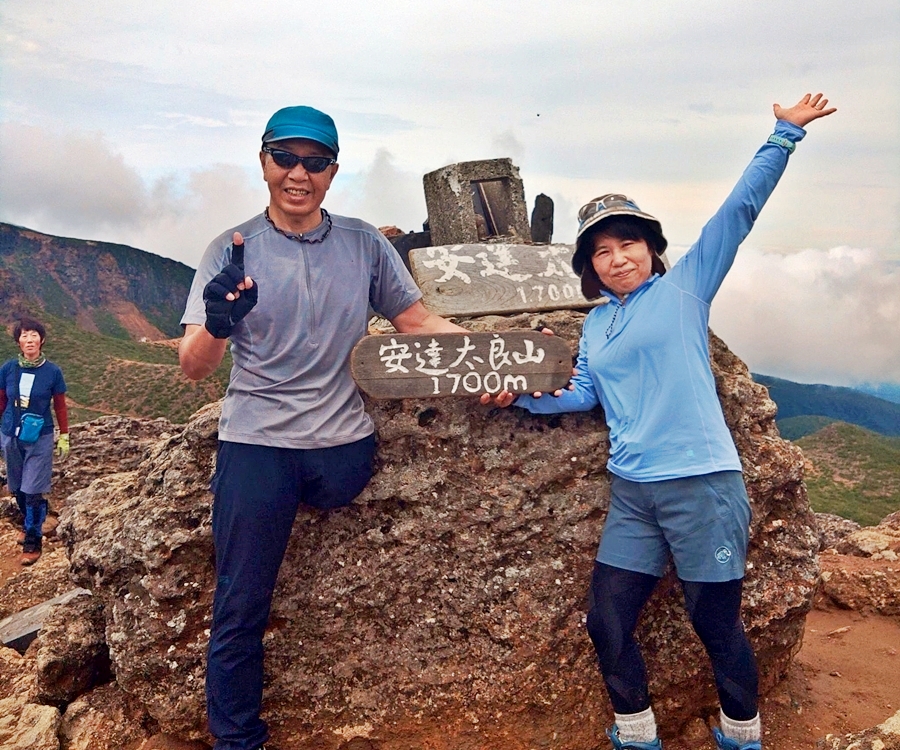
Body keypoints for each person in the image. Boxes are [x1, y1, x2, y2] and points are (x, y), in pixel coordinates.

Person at [481, 94, 837, 750]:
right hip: (635, 493)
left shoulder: (683, 290)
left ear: (650, 248)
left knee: (716, 625)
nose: (618, 259)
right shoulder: (595, 323)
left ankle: (741, 736)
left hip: (703, 487)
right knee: (607, 621)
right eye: (603, 251)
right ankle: (638, 734)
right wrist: (521, 399)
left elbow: (738, 212)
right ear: (589, 266)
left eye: (629, 243)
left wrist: (784, 135)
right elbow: (582, 393)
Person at [179, 105, 465, 750]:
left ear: (333, 172)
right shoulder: (230, 249)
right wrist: (220, 321)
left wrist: (495, 360)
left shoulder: (364, 244)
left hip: (342, 450)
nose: (298, 174)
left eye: (314, 162)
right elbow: (194, 368)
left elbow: (417, 324)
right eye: (285, 158)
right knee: (240, 604)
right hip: (258, 443)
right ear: (263, 162)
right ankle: (236, 740)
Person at [0, 317, 70, 566]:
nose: (29, 340)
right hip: (10, 435)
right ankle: (33, 522)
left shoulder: (52, 371)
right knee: (18, 487)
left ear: (42, 340)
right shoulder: (8, 369)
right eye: (24, 335)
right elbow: (1, 401)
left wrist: (64, 435)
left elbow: (60, 406)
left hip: (39, 437)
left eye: (34, 335)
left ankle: (33, 540)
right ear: (18, 341)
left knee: (32, 490)